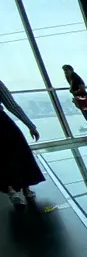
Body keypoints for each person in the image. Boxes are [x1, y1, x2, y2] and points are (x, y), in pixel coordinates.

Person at [0, 79, 43, 209]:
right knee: (20, 153)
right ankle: (26, 189)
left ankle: (11, 190)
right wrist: (30, 125)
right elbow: (12, 105)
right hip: (3, 124)